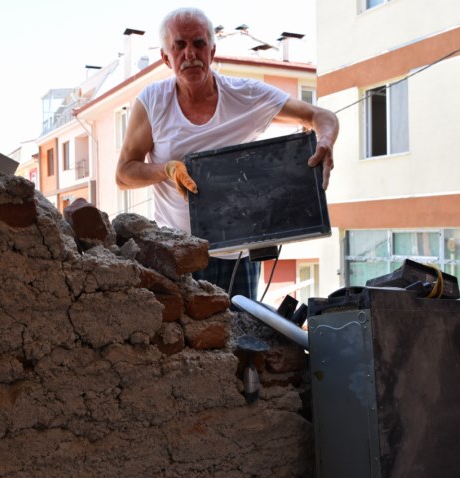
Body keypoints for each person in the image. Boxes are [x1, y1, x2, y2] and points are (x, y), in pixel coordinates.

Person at [116, 7, 339, 300]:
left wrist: (325, 141)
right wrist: (167, 170)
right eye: (179, 45)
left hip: (237, 256)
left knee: (240, 339)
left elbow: (321, 116)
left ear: (212, 50)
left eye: (198, 43)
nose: (190, 54)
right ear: (165, 57)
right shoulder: (152, 102)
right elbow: (124, 173)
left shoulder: (245, 95)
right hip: (176, 253)